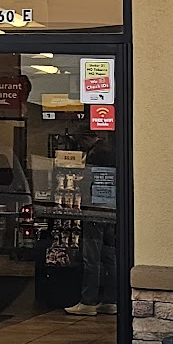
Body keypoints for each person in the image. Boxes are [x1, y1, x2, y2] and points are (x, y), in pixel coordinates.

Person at [66, 129, 117, 317]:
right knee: (109, 257)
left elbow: (88, 181)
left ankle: (88, 301)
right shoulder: (111, 151)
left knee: (91, 257)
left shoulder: (95, 154)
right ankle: (110, 301)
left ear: (87, 138)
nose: (80, 147)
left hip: (95, 209)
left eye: (80, 142)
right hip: (111, 209)